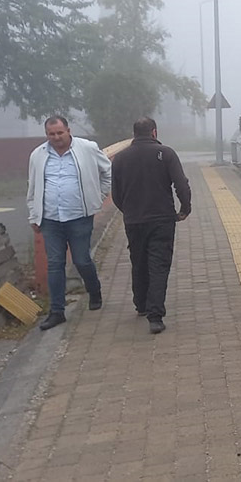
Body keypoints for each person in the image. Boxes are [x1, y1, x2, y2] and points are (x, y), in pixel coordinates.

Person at [27, 116, 111, 331]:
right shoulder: (38, 155)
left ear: (68, 130)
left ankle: (94, 290)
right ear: (46, 134)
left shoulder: (87, 148)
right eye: (51, 134)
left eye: (59, 133)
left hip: (79, 217)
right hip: (50, 219)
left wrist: (99, 196)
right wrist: (34, 215)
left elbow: (107, 172)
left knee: (82, 260)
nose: (56, 138)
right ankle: (57, 311)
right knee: (55, 264)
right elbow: (33, 186)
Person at [110, 117, 191, 334]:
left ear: (134, 134)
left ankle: (141, 304)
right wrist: (185, 208)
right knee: (158, 265)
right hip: (162, 220)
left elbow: (116, 194)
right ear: (154, 132)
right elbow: (181, 184)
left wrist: (128, 211)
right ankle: (155, 317)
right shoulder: (166, 154)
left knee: (138, 261)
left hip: (134, 220)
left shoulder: (120, 158)